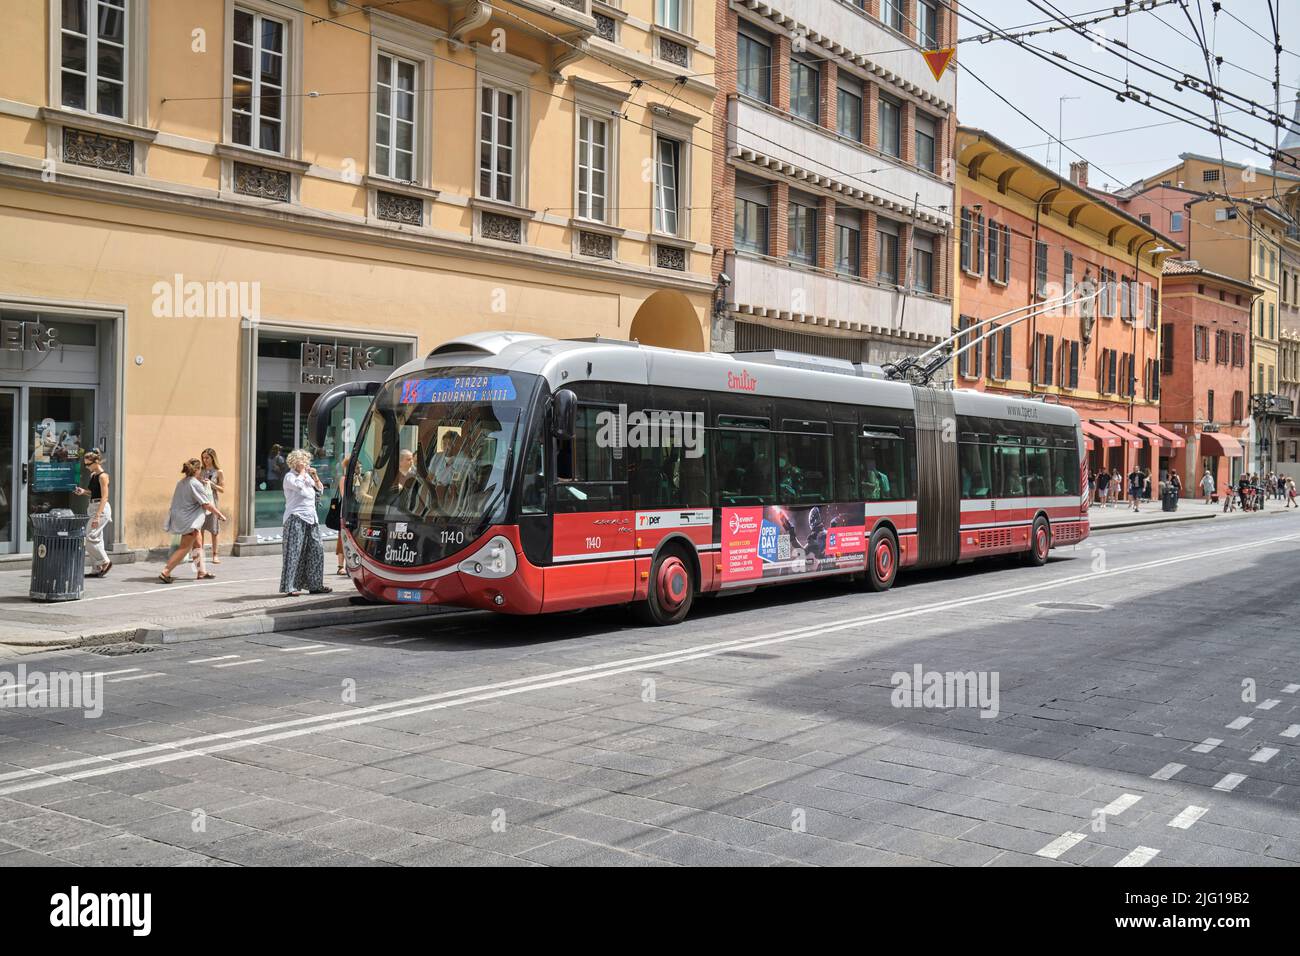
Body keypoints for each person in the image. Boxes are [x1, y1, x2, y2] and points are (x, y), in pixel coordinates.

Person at [159, 459, 224, 583]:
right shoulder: (195, 483)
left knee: (198, 544)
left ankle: (201, 572)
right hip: (190, 520)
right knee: (184, 548)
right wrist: (219, 514)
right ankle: (165, 572)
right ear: (198, 470)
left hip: (182, 518)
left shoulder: (182, 482)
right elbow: (206, 504)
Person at [281, 448, 331, 597]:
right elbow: (298, 486)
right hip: (295, 517)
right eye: (301, 461)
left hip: (312, 518)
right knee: (294, 552)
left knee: (317, 549)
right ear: (294, 462)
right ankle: (290, 586)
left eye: (306, 461)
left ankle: (315, 584)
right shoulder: (290, 477)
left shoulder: (307, 477)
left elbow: (319, 490)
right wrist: (303, 472)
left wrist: (315, 476)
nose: (304, 464)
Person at [73, 450, 112, 578]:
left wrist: (97, 516)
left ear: (96, 462)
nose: (87, 467)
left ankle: (105, 561)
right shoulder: (93, 475)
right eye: (85, 465)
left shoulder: (103, 476)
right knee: (97, 539)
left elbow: (104, 497)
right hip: (92, 506)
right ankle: (96, 568)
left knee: (89, 537)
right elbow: (93, 492)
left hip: (101, 509)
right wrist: (83, 491)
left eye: (88, 464)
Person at [197, 448, 226, 565]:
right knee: (201, 529)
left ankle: (215, 555)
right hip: (201, 501)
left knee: (214, 529)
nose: (205, 460)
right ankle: (201, 554)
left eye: (207, 457)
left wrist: (211, 484)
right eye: (203, 457)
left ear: (213, 458)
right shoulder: (200, 470)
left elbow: (222, 489)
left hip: (212, 501)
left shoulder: (219, 472)